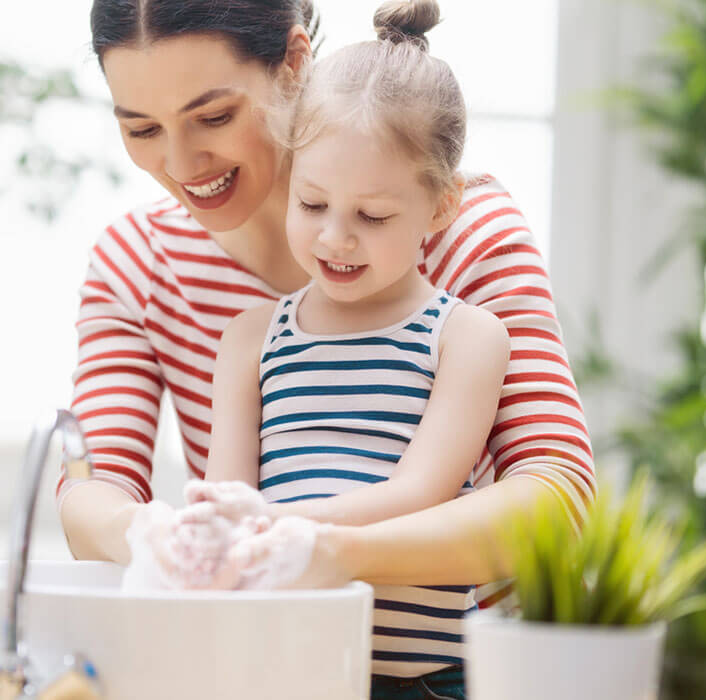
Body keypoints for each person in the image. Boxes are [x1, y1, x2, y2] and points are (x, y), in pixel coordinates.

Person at [57, 0, 594, 684]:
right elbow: (90, 488)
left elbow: (558, 498)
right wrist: (147, 535)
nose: (180, 162)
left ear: (294, 65)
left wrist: (333, 548)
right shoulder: (141, 263)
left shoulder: (462, 231)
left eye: (214, 116)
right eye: (140, 128)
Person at [181, 1, 508, 689]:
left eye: (371, 215)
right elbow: (226, 495)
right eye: (312, 204)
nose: (334, 237)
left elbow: (420, 492)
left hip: (421, 681)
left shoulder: (466, 338)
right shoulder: (250, 338)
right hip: (281, 672)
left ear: (442, 206)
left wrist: (275, 521)